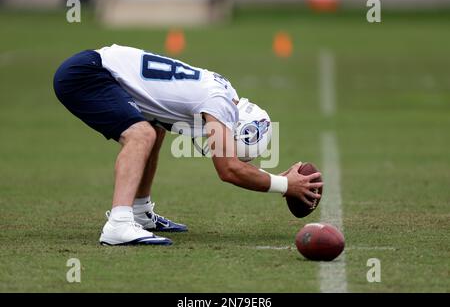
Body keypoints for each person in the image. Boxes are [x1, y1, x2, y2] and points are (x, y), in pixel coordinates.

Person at [53, 44, 323, 246]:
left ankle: (139, 211)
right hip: (88, 74)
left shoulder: (225, 94)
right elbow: (228, 169)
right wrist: (285, 185)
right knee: (141, 135)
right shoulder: (219, 103)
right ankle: (118, 224)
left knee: (155, 129)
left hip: (98, 68)